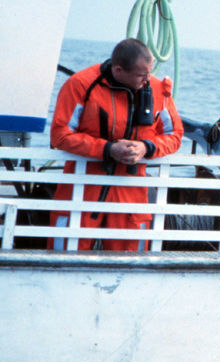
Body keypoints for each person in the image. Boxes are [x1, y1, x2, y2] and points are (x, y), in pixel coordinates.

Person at [49, 38, 184, 252]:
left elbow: (175, 135)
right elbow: (60, 135)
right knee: (64, 253)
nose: (148, 79)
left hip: (131, 191)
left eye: (150, 72)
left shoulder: (159, 90)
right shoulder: (81, 85)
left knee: (133, 261)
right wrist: (107, 149)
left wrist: (145, 148)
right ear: (119, 70)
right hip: (82, 185)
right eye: (142, 75)